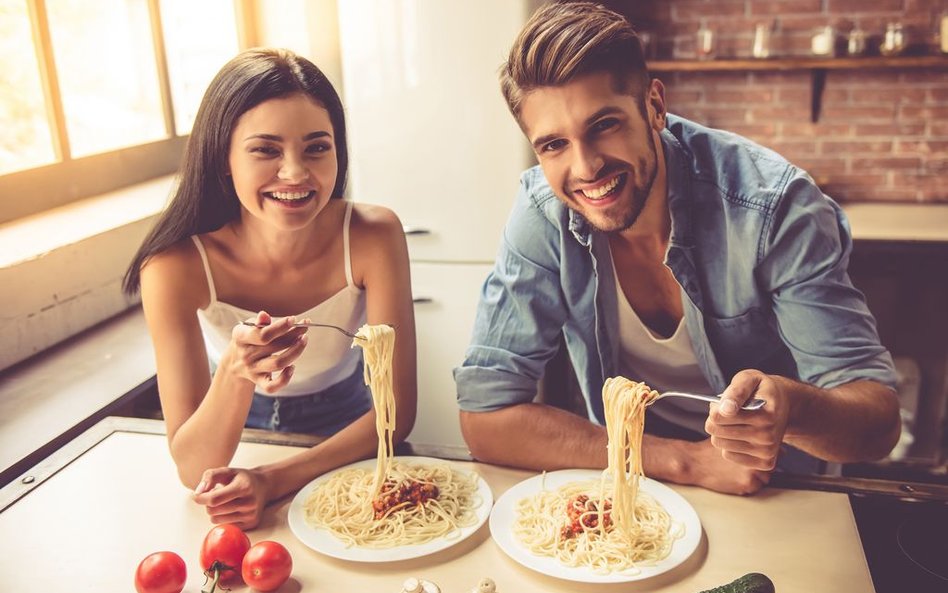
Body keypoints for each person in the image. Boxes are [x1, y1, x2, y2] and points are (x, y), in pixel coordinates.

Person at [454, 2, 900, 495]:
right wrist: (682, 461)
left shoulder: (775, 209)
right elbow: (484, 415)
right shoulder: (543, 211)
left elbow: (877, 424)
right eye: (553, 144)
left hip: (777, 487)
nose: (585, 169)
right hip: (632, 479)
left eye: (604, 124)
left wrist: (792, 407)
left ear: (654, 106)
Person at [123, 48, 417, 528]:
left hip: (350, 428)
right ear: (223, 159)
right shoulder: (173, 267)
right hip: (234, 427)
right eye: (266, 149)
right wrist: (237, 374)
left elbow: (395, 415)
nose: (297, 173)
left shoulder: (374, 235)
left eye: (317, 147)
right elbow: (194, 469)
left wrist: (272, 480)